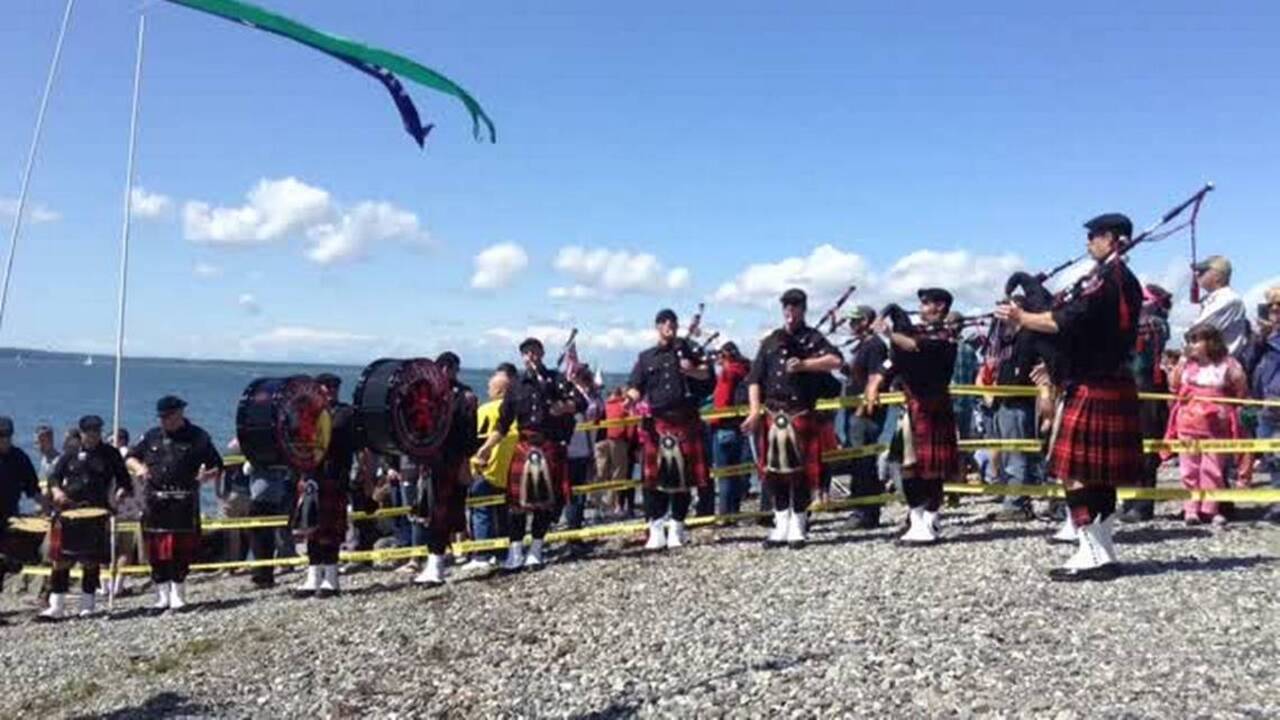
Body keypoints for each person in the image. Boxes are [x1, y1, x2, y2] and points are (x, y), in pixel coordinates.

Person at [995, 212, 1144, 581]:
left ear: (1111, 238)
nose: (1088, 242)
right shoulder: (1124, 280)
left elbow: (1064, 321)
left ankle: (1092, 553)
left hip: (1094, 384)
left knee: (1074, 473)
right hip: (1110, 382)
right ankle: (1101, 549)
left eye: (1093, 235)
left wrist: (1022, 317)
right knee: (1101, 477)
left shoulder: (1107, 281)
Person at [742, 288, 843, 549]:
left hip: (800, 413)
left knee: (799, 475)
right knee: (774, 475)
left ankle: (798, 526)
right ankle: (780, 525)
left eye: (795, 306)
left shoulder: (812, 338)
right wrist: (754, 412)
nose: (790, 310)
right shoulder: (771, 341)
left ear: (803, 309)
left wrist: (806, 365)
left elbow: (836, 361)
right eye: (786, 306)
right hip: (773, 414)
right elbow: (754, 380)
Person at [475, 337, 586, 572]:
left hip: (549, 445)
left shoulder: (556, 380)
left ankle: (536, 550)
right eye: (527, 353)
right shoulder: (515, 387)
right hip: (524, 446)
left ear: (542, 353)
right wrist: (486, 448)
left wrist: (564, 407)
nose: (531, 357)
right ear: (523, 357)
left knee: (544, 505)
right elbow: (503, 425)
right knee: (516, 505)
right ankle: (515, 553)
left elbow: (581, 402)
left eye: (535, 352)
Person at [867, 289, 960, 544]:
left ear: (940, 306)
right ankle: (916, 519)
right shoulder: (915, 332)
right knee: (906, 467)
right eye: (921, 302)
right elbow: (892, 361)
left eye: (927, 302)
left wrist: (888, 332)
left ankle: (930, 518)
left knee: (931, 470)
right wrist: (876, 383)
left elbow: (916, 346)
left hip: (933, 406)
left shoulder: (947, 335)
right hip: (912, 407)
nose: (921, 306)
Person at [126, 395, 224, 611]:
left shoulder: (198, 437)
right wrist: (139, 468)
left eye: (169, 416)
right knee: (156, 552)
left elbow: (217, 465)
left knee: (180, 551)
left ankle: (178, 595)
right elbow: (131, 457)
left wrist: (206, 476)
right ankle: (161, 596)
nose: (164, 421)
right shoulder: (151, 436)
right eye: (162, 417)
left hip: (183, 501)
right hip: (155, 501)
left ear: (180, 414)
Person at [627, 309, 714, 550]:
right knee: (653, 482)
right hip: (658, 424)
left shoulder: (691, 349)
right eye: (665, 322)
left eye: (673, 322)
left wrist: (692, 370)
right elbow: (636, 386)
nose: (670, 326)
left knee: (683, 480)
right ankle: (656, 528)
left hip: (685, 421)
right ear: (657, 326)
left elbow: (709, 377)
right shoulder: (646, 357)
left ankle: (677, 528)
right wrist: (630, 399)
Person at [37, 415, 132, 620]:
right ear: (81, 433)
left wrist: (120, 494)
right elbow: (54, 476)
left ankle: (87, 605)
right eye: (89, 432)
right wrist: (56, 491)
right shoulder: (71, 451)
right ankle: (57, 606)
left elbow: (124, 480)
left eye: (97, 432)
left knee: (91, 560)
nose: (94, 436)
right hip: (68, 512)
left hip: (96, 511)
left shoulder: (110, 453)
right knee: (61, 560)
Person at [1165, 325, 1251, 525]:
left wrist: (1230, 409)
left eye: (1196, 340)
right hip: (1188, 423)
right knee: (1189, 468)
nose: (1191, 345)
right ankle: (1191, 509)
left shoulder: (1228, 364)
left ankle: (1210, 510)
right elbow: (1174, 386)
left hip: (1216, 425)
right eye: (1190, 341)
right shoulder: (1184, 365)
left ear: (1211, 342)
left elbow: (1241, 389)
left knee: (1213, 469)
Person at [988, 274, 1056, 521]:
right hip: (1004, 402)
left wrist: (1046, 397)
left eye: (1010, 307)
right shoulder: (1010, 337)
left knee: (1016, 455)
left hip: (1020, 403)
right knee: (1008, 455)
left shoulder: (1030, 335)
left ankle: (1017, 504)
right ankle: (1014, 500)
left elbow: (1043, 367)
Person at [414, 353, 479, 587]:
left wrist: (465, 461)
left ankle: (436, 567)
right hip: (431, 461)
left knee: (443, 514)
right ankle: (434, 564)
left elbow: (470, 434)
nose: (445, 371)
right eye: (441, 367)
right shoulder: (425, 394)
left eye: (449, 367)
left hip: (451, 460)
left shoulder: (465, 396)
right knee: (433, 514)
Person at [295, 373, 356, 597]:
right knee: (311, 528)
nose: (331, 390)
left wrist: (364, 476)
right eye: (326, 386)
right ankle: (312, 578)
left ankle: (331, 580)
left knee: (332, 531)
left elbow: (359, 447)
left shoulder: (347, 413)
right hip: (311, 476)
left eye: (334, 386)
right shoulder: (305, 413)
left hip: (335, 476)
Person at [1120, 284, 1174, 523]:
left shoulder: (1152, 324)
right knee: (1130, 448)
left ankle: (1143, 504)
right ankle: (1132, 498)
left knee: (1145, 449)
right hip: (1132, 388)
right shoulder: (1142, 324)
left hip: (1146, 390)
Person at [463, 369, 517, 571]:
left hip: (484, 469)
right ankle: (502, 553)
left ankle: (482, 554)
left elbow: (472, 440)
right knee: (502, 512)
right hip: (508, 471)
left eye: (490, 386)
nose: (487, 389)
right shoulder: (515, 412)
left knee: (481, 511)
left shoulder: (484, 410)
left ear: (498, 389)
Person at [841, 307, 890, 529]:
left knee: (863, 463)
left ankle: (865, 512)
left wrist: (861, 411)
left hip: (865, 415)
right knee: (858, 462)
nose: (852, 325)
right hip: (853, 411)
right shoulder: (862, 346)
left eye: (856, 321)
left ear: (867, 321)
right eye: (850, 322)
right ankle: (863, 509)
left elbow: (875, 379)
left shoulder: (874, 346)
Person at [1244, 287, 1280, 522]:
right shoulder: (1265, 338)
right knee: (1271, 456)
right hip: (1265, 404)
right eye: (1271, 306)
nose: (1275, 310)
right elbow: (1248, 362)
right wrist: (1260, 339)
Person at [0, 416, 43, 600]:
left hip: (9, 517)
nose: (4, 440)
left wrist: (48, 509)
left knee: (8, 562)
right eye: (1, 436)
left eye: (7, 436)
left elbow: (33, 488)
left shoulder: (19, 458)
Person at [711, 342, 752, 518]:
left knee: (724, 473)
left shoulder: (727, 374)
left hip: (725, 426)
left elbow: (722, 401)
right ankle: (735, 510)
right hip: (741, 425)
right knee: (736, 472)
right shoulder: (746, 371)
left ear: (725, 356)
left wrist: (712, 420)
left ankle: (725, 514)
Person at [1193, 255, 1249, 358]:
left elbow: (1196, 331)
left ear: (1217, 276)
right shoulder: (1212, 299)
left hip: (1220, 367)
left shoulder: (1229, 299)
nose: (1197, 275)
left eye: (1203, 272)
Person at [596, 387, 636, 517]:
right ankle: (611, 503)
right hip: (618, 440)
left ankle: (598, 502)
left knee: (601, 472)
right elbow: (631, 425)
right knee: (618, 473)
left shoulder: (604, 405)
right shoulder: (623, 405)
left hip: (601, 441)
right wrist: (630, 442)